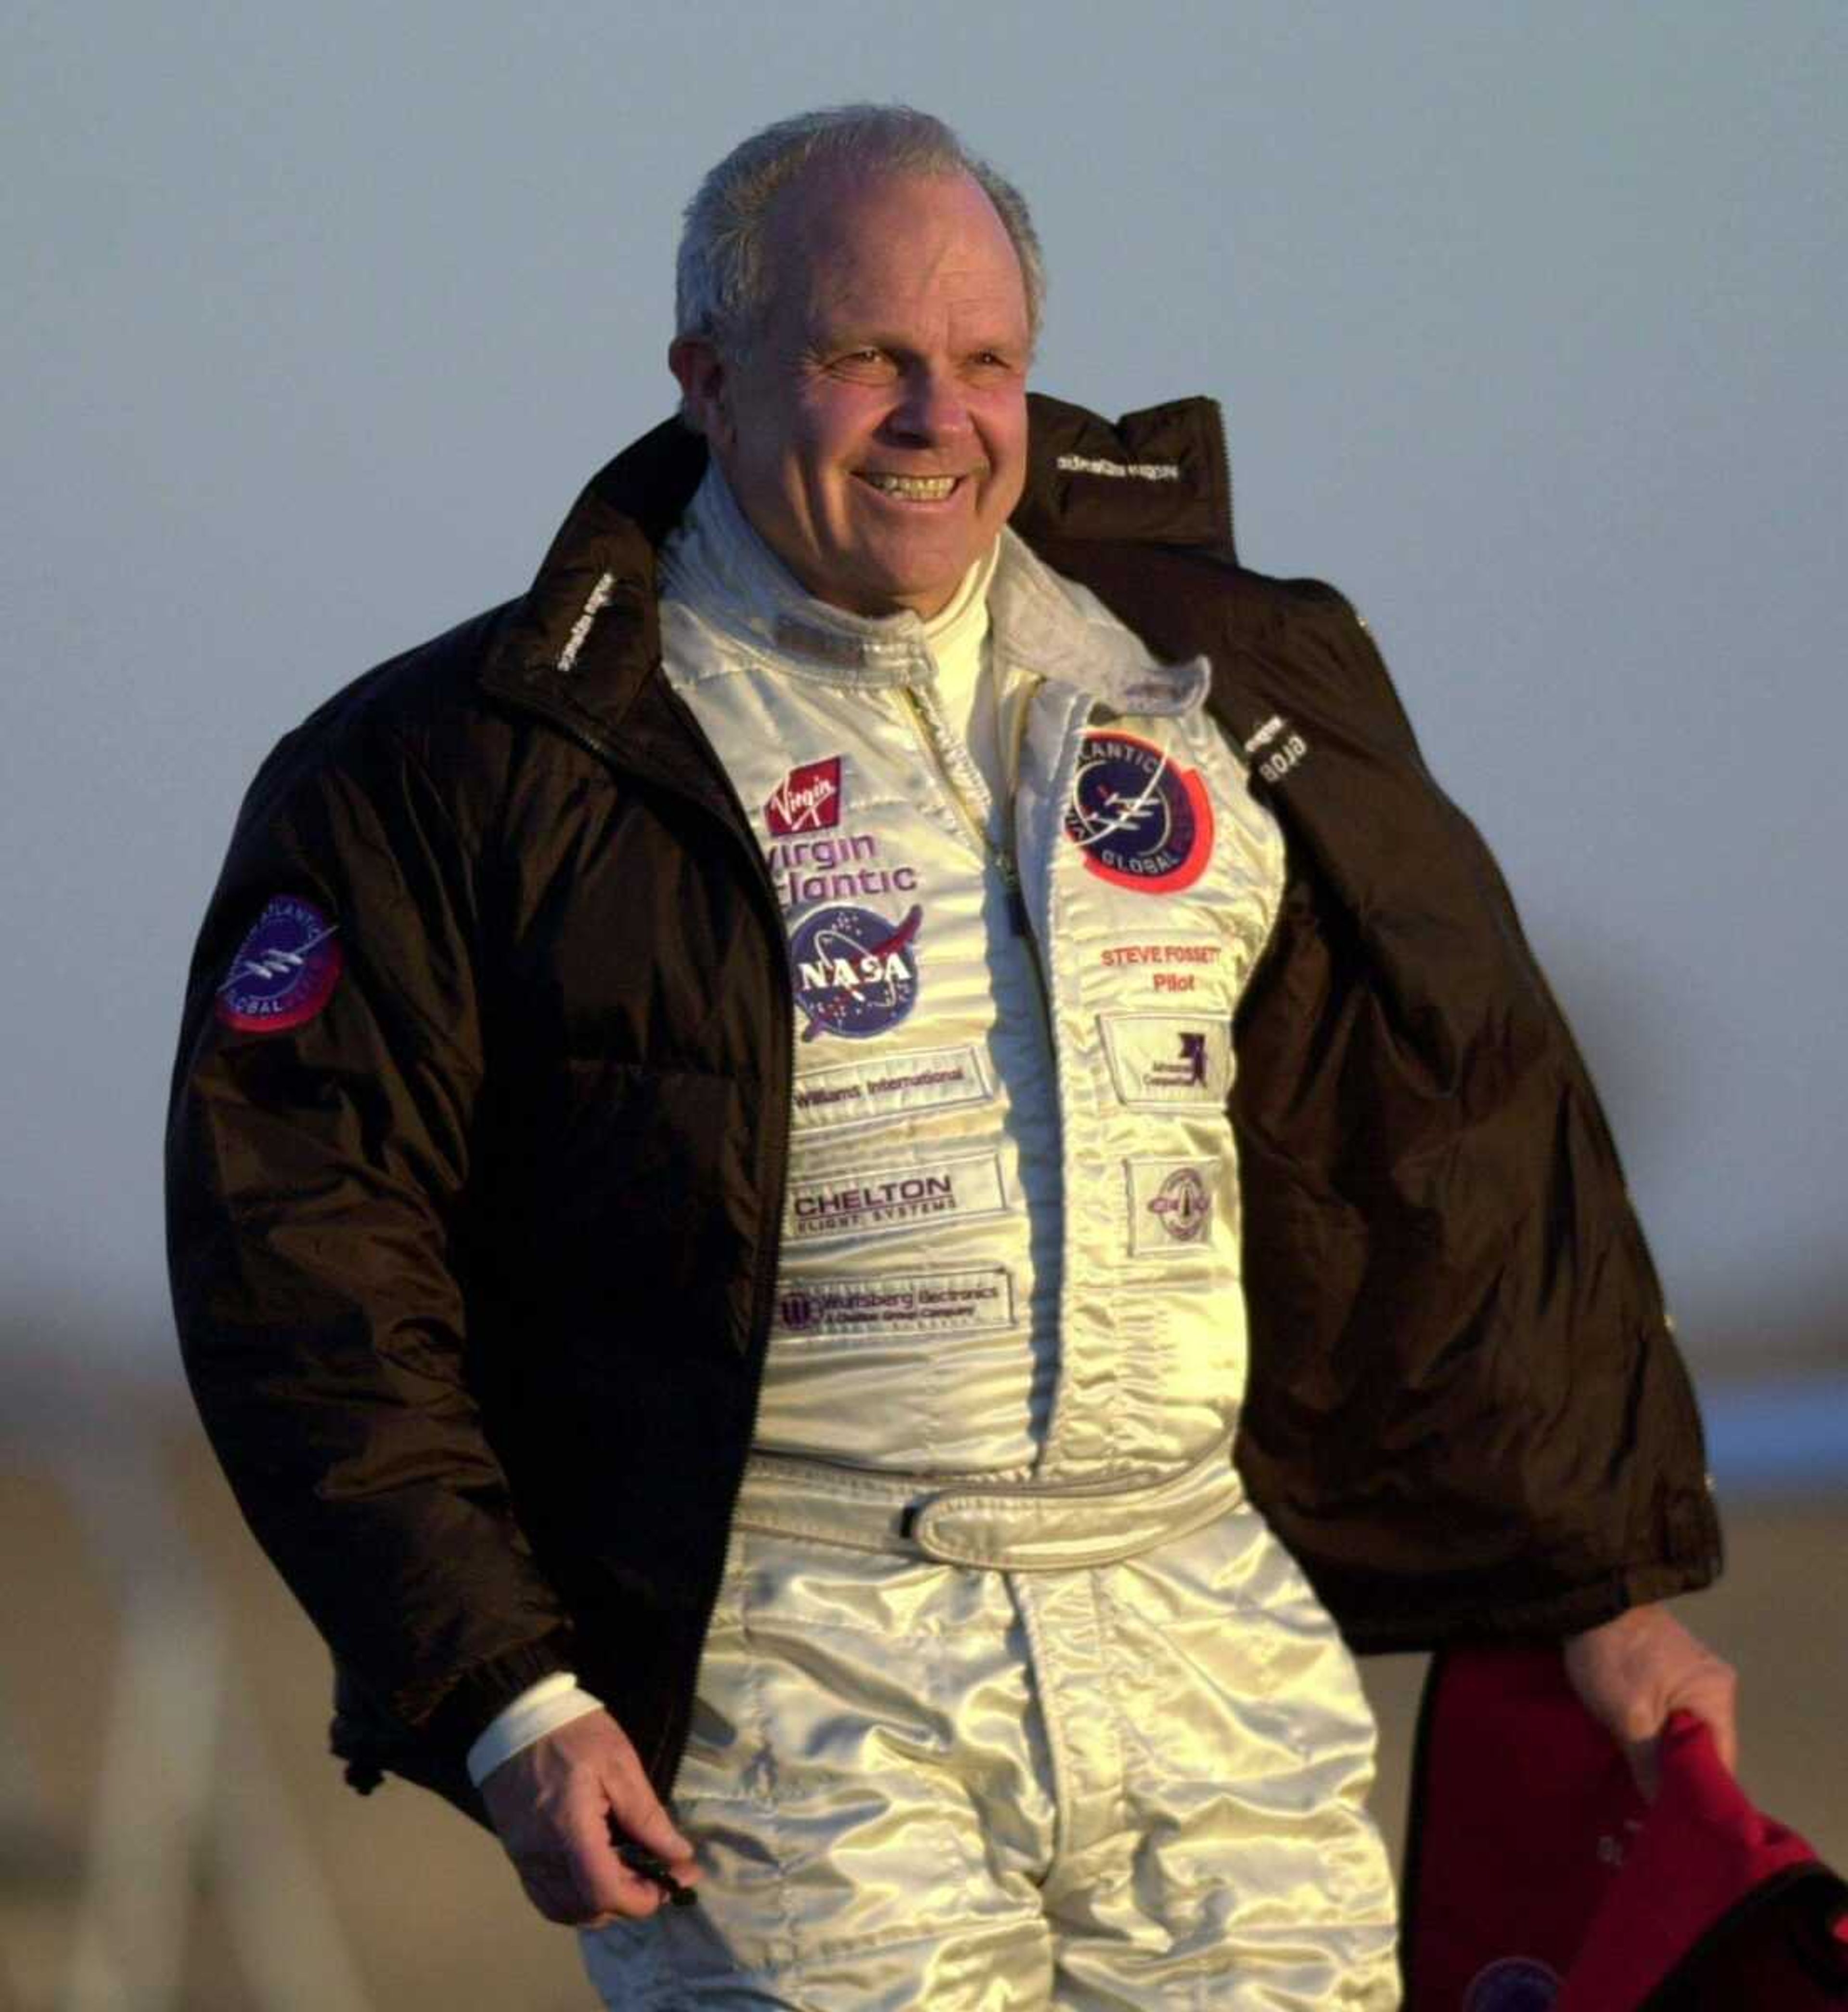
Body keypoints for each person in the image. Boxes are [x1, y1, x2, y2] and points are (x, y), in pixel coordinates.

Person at [167, 105, 1737, 2009]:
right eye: (866, 360)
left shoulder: (1225, 681)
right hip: (781, 1680)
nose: (941, 418)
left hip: (1207, 1649)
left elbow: (1437, 1139)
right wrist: (506, 1689)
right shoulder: (462, 767)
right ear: (708, 379)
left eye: (986, 362)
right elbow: (307, 1273)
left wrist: (1595, 1577)